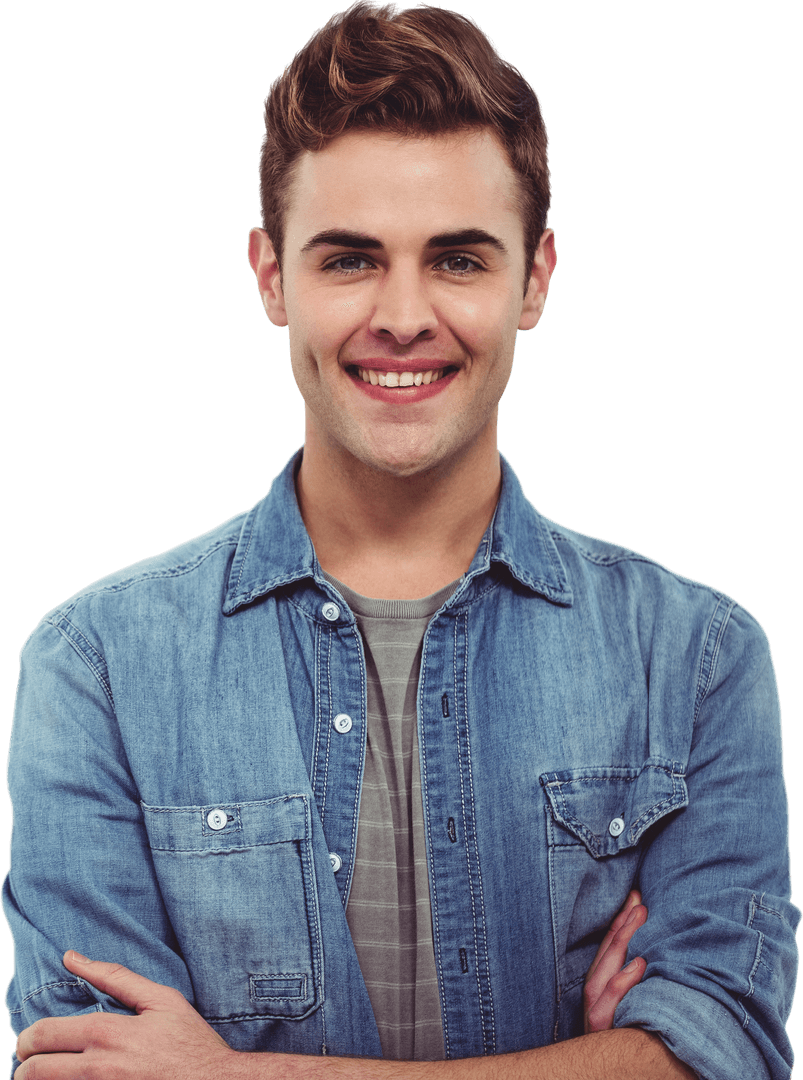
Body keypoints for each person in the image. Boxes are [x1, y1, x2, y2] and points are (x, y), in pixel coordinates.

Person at [3, 1, 798, 1077]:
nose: (404, 314)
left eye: (459, 260)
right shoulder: (94, 665)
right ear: (271, 277)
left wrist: (236, 1074)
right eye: (348, 260)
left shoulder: (697, 659)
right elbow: (83, 1065)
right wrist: (597, 1058)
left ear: (535, 279)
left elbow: (732, 1048)